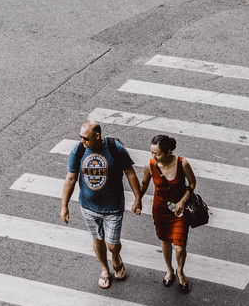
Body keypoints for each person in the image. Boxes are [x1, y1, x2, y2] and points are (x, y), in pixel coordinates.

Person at [60, 120, 142, 289]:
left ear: (97, 136)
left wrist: (137, 198)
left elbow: (130, 173)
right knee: (97, 239)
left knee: (112, 244)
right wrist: (64, 206)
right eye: (80, 137)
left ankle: (116, 258)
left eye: (85, 138)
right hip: (88, 206)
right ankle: (105, 269)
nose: (82, 141)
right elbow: (71, 178)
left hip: (113, 207)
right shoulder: (79, 150)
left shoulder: (115, 148)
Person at [139, 135, 196, 292]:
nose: (154, 156)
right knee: (165, 241)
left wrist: (183, 201)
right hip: (160, 209)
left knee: (179, 246)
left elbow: (192, 183)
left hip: (179, 210)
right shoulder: (150, 165)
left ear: (168, 152)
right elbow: (144, 184)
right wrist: (138, 200)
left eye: (157, 153)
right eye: (152, 153)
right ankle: (169, 270)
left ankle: (180, 271)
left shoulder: (182, 163)